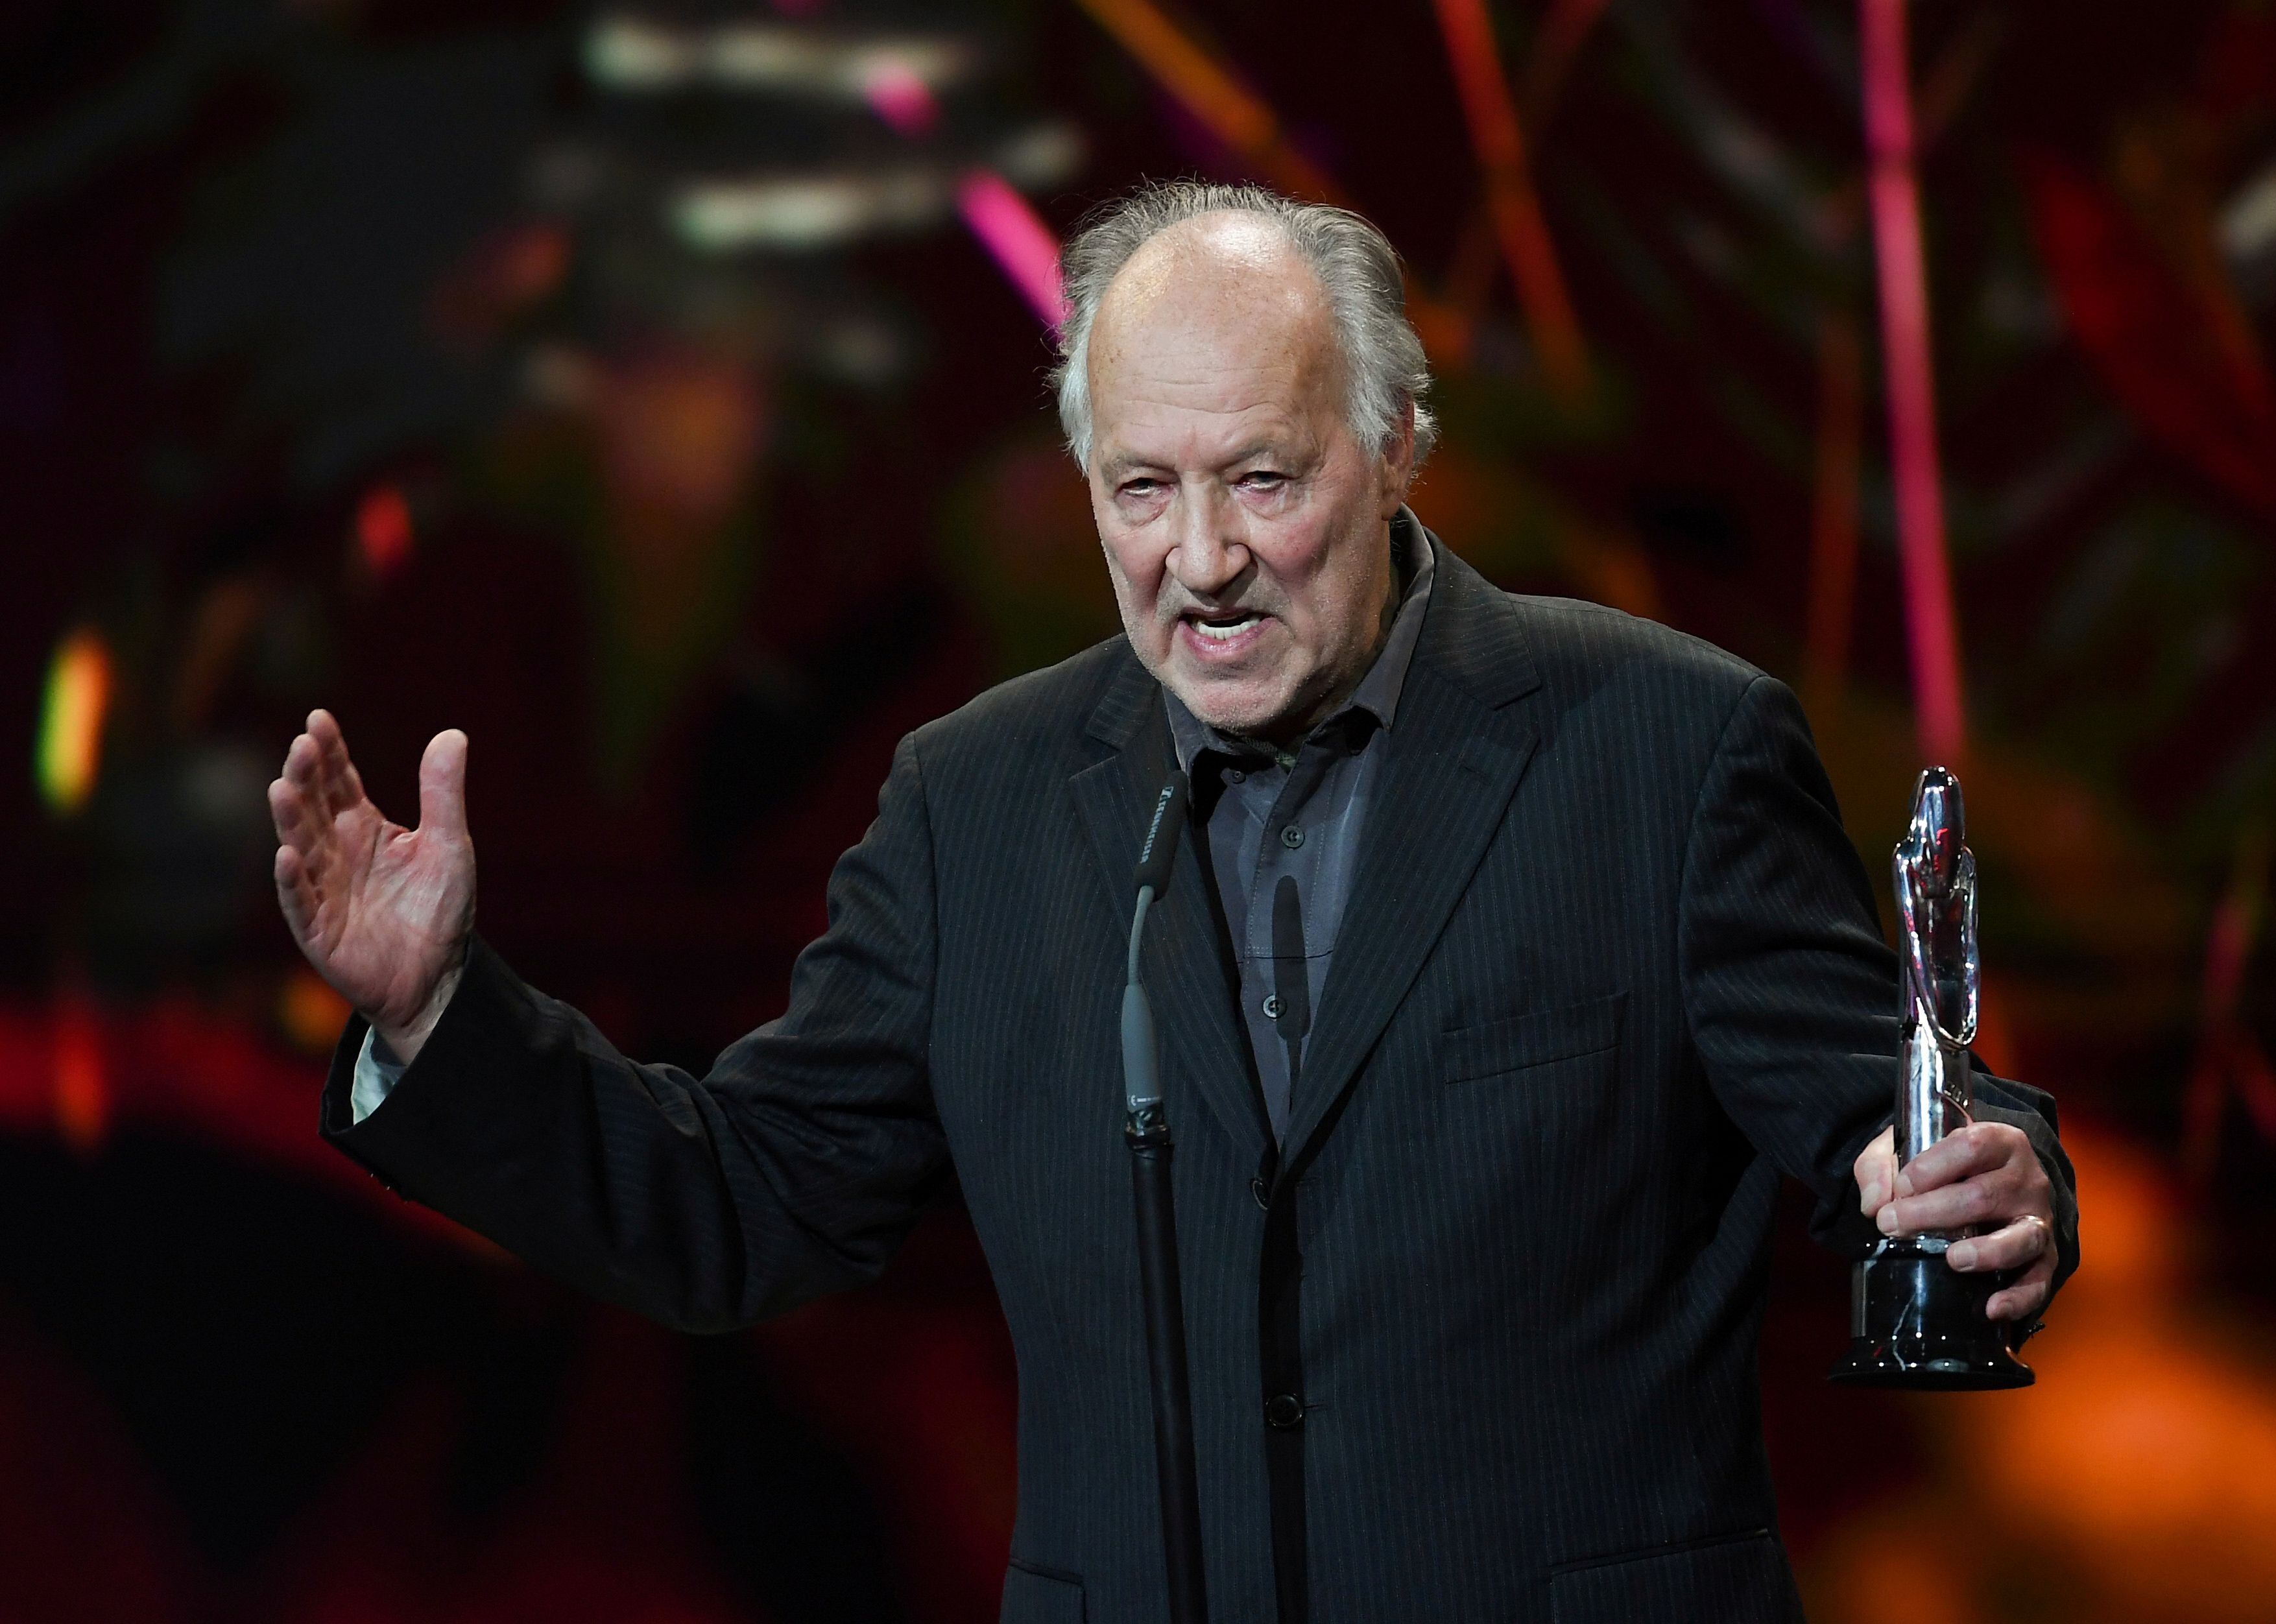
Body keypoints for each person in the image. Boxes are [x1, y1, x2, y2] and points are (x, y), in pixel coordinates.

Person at [269, 180, 2073, 1623]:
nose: (1199, 562)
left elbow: (1895, 1129)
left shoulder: (1666, 753)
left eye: (1263, 483)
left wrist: (1982, 1184)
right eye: (1144, 489)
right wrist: (438, 1017)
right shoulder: (971, 805)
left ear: (1398, 449)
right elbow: (743, 1206)